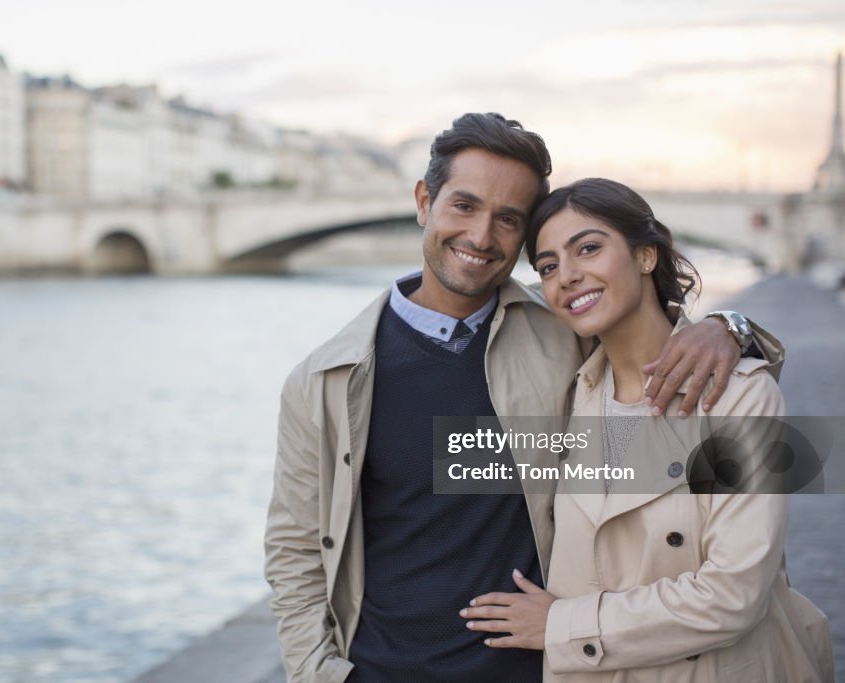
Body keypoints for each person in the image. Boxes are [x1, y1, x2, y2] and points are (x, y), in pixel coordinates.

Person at [264, 114, 783, 683]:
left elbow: (647, 329)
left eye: (508, 219)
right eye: (464, 206)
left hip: (544, 666)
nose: (482, 237)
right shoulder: (325, 380)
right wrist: (316, 673)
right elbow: (294, 548)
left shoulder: (564, 331)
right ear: (424, 201)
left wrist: (731, 328)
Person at [461, 178, 833, 681]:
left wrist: (561, 624)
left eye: (588, 248)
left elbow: (734, 595)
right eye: (548, 267)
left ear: (646, 257)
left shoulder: (742, 396)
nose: (566, 276)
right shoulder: (567, 395)